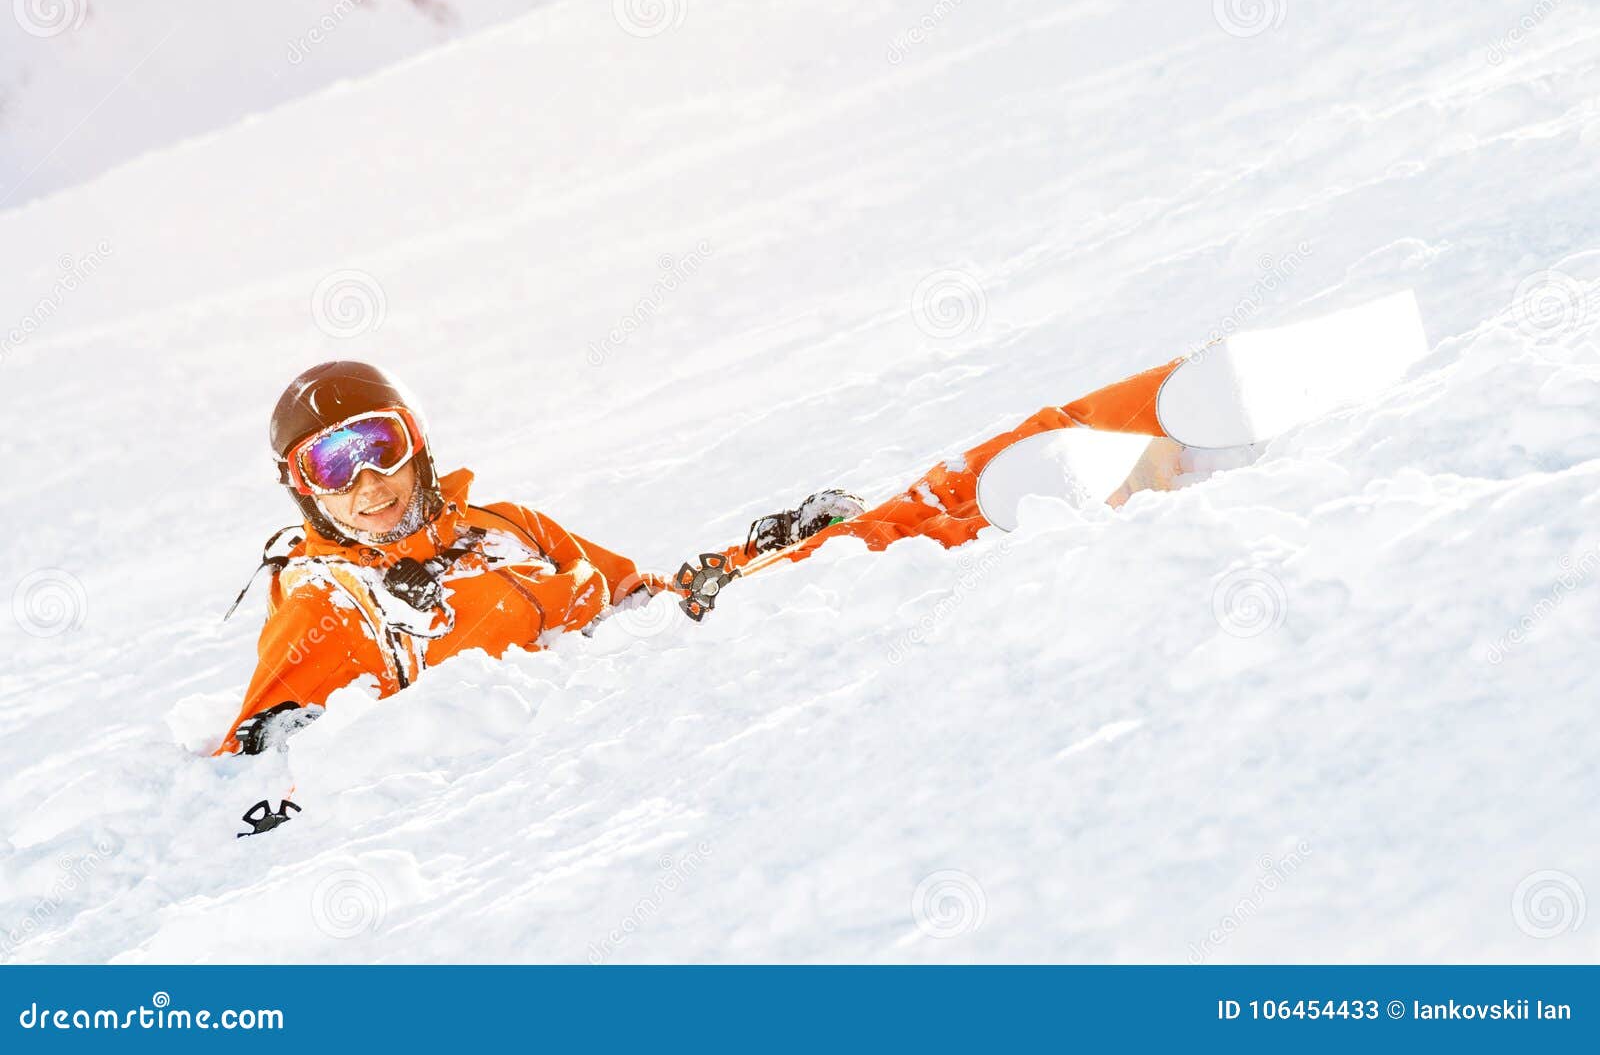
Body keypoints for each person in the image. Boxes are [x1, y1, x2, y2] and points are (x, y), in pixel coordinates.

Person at [217, 358, 1183, 755]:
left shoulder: (501, 525)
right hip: (621, 726)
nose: (366, 481)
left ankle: (1150, 410)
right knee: (879, 544)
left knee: (882, 519)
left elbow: (639, 597)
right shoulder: (332, 601)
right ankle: (1078, 479)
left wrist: (744, 553)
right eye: (330, 466)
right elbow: (261, 759)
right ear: (303, 489)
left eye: (377, 444)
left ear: (414, 440)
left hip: (670, 651)